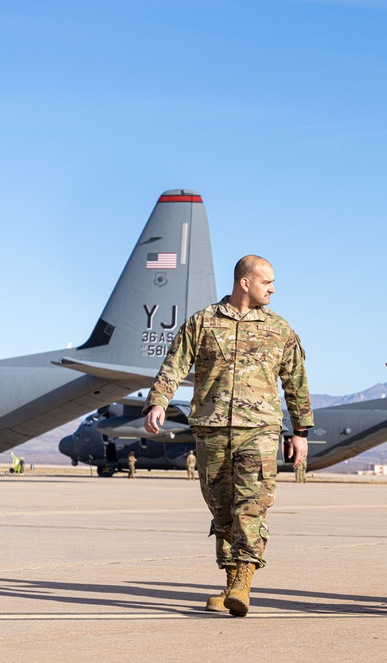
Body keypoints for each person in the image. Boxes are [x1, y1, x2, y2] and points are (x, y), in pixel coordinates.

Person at [143, 255, 313, 617]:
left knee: (251, 506)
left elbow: (296, 381)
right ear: (245, 282)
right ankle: (232, 581)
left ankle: (243, 582)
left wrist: (300, 431)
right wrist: (158, 402)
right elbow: (174, 364)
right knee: (221, 511)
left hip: (260, 431)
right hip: (212, 429)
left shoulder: (280, 329)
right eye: (267, 281)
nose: (273, 288)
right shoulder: (202, 323)